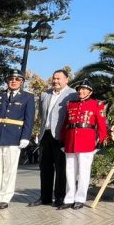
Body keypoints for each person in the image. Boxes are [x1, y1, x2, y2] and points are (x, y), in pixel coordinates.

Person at [0, 71, 35, 210]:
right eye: (11, 78)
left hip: (13, 137)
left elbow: (29, 119)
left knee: (9, 169)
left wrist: (25, 136)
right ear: (6, 81)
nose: (13, 81)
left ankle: (4, 197)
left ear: (22, 82)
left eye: (17, 79)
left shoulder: (28, 97)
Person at [59, 80, 107, 210]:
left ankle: (80, 198)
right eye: (80, 89)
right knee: (69, 171)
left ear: (90, 92)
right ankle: (69, 198)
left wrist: (100, 141)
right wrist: (62, 139)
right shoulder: (71, 104)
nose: (81, 91)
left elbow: (102, 125)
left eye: (84, 89)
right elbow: (65, 123)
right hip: (70, 141)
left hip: (87, 141)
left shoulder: (97, 104)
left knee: (84, 171)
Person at [35, 69, 77, 207]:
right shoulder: (45, 94)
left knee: (61, 168)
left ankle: (60, 197)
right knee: (45, 167)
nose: (55, 81)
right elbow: (42, 113)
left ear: (66, 80)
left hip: (61, 135)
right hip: (45, 134)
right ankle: (45, 197)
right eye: (54, 78)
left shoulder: (73, 94)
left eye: (59, 79)